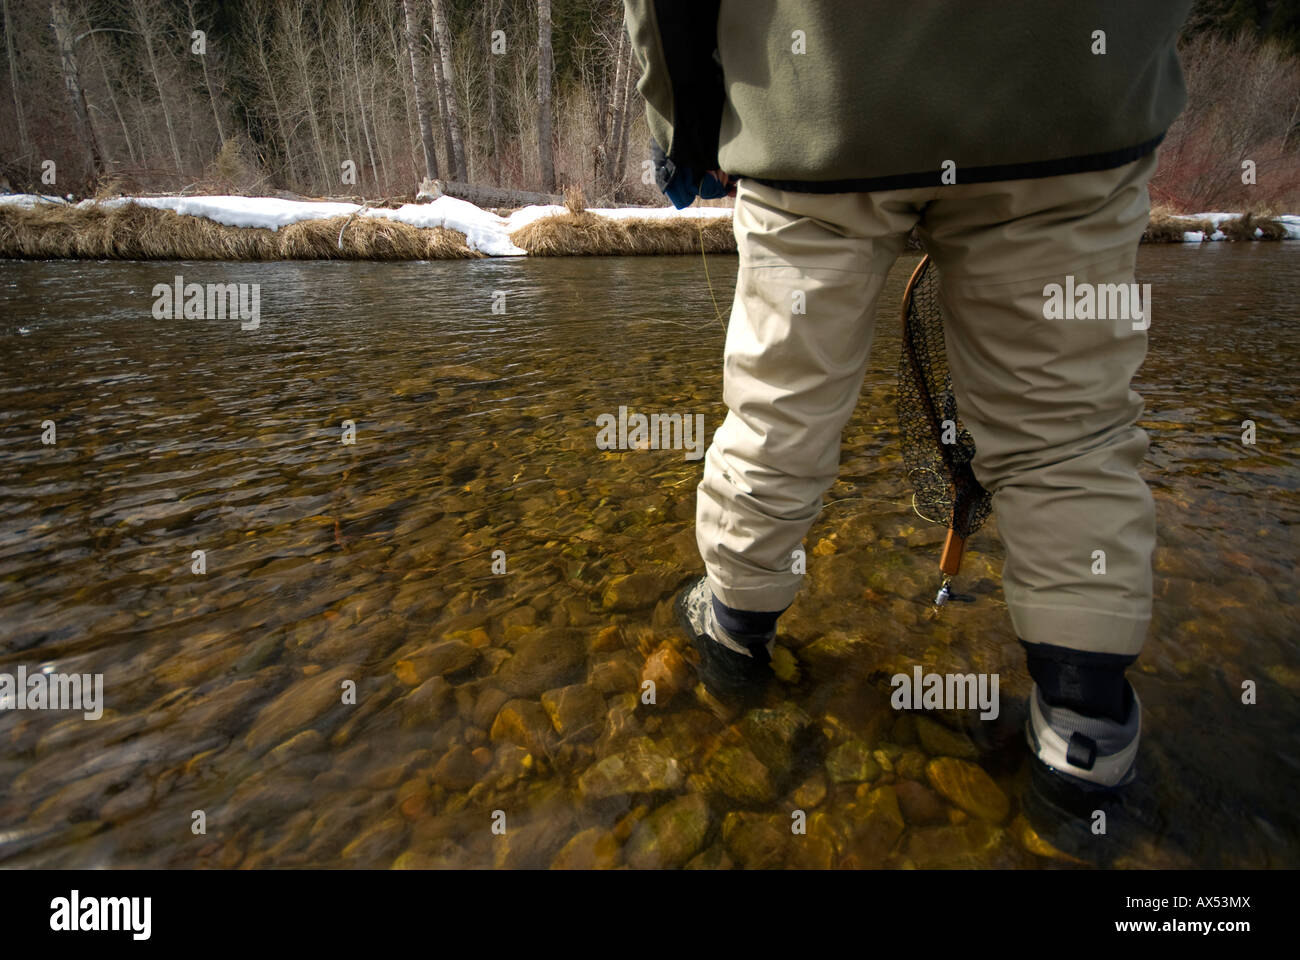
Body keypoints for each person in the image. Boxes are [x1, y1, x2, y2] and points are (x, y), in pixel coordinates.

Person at [624, 0, 1194, 859]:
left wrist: (692, 128)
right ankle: (1082, 733)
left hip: (815, 107)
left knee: (781, 407)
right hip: (1069, 104)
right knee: (1068, 432)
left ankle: (735, 629)